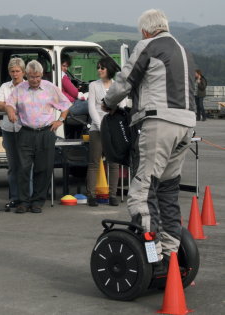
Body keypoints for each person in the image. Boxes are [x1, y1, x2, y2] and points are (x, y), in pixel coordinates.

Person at [102, 9, 196, 273]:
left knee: (141, 191)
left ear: (145, 31)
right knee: (167, 190)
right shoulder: (184, 50)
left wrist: (107, 102)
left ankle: (150, 254)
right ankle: (171, 254)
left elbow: (124, 81)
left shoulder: (148, 45)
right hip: (186, 125)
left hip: (159, 124)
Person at [6, 60, 71, 214]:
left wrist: (60, 120)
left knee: (43, 168)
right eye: (31, 77)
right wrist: (10, 112)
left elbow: (66, 104)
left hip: (45, 132)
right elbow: (9, 103)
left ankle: (37, 201)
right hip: (26, 132)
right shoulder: (19, 89)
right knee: (23, 167)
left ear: (42, 75)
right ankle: (23, 201)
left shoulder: (50, 88)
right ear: (26, 75)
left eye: (37, 77)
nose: (34, 80)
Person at [86, 57, 126, 207]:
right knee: (94, 162)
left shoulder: (118, 86)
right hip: (97, 128)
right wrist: (101, 125)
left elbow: (122, 106)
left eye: (102, 68)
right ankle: (91, 195)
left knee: (114, 163)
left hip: (113, 128)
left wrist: (112, 126)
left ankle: (113, 194)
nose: (99, 70)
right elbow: (92, 108)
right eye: (98, 68)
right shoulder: (93, 86)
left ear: (109, 69)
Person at [0, 57, 26, 209]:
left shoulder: (29, 86)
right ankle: (14, 197)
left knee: (26, 165)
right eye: (12, 71)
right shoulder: (5, 87)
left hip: (25, 129)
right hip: (8, 129)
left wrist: (8, 106)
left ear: (23, 72)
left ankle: (27, 198)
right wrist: (10, 108)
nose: (15, 74)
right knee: (13, 166)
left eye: (17, 71)